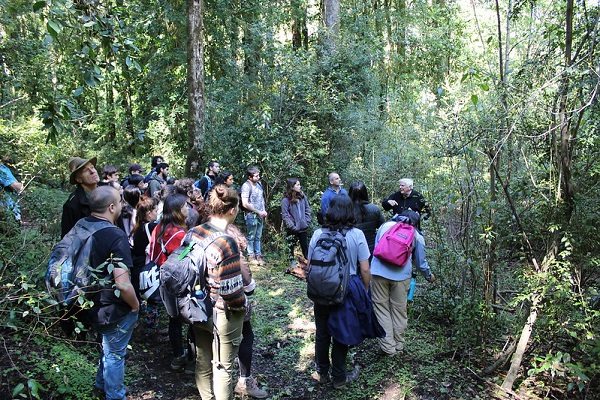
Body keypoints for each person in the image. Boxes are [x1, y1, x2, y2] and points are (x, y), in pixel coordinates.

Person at [190, 184, 246, 400]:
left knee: (203, 360)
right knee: (224, 366)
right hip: (222, 311)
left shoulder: (194, 232)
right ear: (232, 209)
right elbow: (232, 293)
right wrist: (245, 305)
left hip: (196, 305)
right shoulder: (227, 242)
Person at [83, 185, 139, 400]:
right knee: (115, 354)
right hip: (110, 307)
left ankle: (100, 384)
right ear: (112, 206)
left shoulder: (81, 225)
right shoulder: (116, 235)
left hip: (85, 302)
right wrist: (135, 305)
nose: (123, 205)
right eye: (121, 201)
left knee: (107, 348)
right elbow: (123, 283)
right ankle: (115, 396)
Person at [309, 195, 370, 389]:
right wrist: (365, 290)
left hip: (322, 288)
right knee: (341, 334)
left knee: (322, 333)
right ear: (350, 212)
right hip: (347, 288)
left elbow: (311, 265)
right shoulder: (357, 235)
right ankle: (339, 378)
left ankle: (322, 373)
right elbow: (365, 268)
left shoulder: (318, 233)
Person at [370, 211, 435, 357]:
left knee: (381, 309)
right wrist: (429, 276)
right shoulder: (417, 235)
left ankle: (388, 348)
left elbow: (377, 247)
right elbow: (421, 262)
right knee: (399, 311)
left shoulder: (385, 226)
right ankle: (398, 347)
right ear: (417, 223)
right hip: (401, 276)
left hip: (379, 273)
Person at [148, 194, 188, 369]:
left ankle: (177, 354)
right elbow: (183, 257)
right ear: (179, 211)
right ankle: (180, 355)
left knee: (173, 317)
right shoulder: (179, 234)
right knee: (180, 317)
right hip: (175, 280)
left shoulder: (159, 227)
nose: (188, 209)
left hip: (161, 276)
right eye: (186, 206)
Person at [61, 156, 99, 238]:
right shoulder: (72, 204)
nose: (92, 171)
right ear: (79, 179)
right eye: (86, 170)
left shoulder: (107, 193)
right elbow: (67, 237)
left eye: (92, 167)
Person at [240, 166, 268, 266]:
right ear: (250, 177)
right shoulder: (246, 186)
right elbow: (245, 203)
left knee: (258, 237)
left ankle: (259, 255)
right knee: (251, 237)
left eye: (258, 175)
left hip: (260, 215)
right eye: (256, 176)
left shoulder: (259, 184)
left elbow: (262, 199)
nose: (258, 177)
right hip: (251, 215)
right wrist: (258, 211)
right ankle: (251, 256)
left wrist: (263, 210)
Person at [281, 178, 311, 266]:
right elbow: (285, 215)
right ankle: (291, 266)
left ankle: (309, 266)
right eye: (297, 185)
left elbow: (307, 209)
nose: (299, 186)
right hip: (292, 229)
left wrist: (307, 221)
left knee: (305, 249)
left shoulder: (302, 196)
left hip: (303, 228)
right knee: (290, 249)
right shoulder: (286, 200)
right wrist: (292, 227)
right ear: (292, 187)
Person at [348, 182, 385, 255]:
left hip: (350, 246)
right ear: (365, 193)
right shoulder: (374, 209)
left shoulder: (346, 210)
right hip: (369, 246)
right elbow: (382, 227)